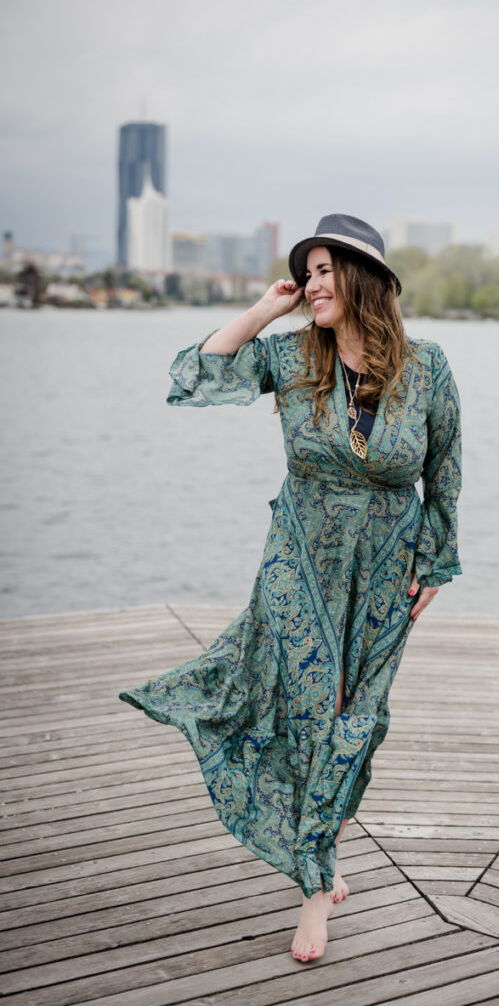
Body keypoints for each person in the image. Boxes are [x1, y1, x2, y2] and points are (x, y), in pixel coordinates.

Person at [119, 213, 462, 963]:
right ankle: (315, 887)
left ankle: (317, 849)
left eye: (325, 272)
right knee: (309, 713)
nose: (312, 285)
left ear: (363, 279)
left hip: (385, 573)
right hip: (299, 559)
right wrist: (265, 309)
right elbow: (195, 374)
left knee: (355, 718)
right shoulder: (292, 355)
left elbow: (445, 472)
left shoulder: (427, 367)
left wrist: (434, 564)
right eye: (307, 274)